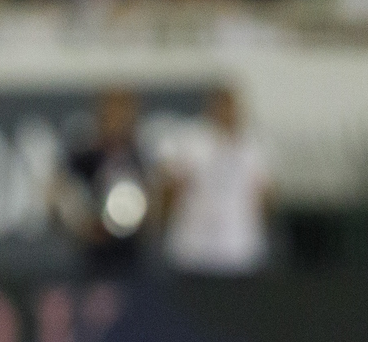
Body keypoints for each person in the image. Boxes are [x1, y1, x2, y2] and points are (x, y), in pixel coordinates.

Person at [159, 86, 273, 275]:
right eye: (221, 106)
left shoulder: (253, 147)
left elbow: (265, 197)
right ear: (211, 108)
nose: (226, 113)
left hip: (239, 248)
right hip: (193, 248)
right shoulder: (191, 142)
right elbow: (169, 187)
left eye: (230, 107)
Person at [53, 87, 150, 274]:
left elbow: (155, 209)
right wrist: (86, 226)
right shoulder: (83, 159)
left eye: (124, 111)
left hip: (134, 262)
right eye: (113, 111)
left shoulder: (142, 158)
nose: (118, 119)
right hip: (92, 262)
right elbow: (63, 201)